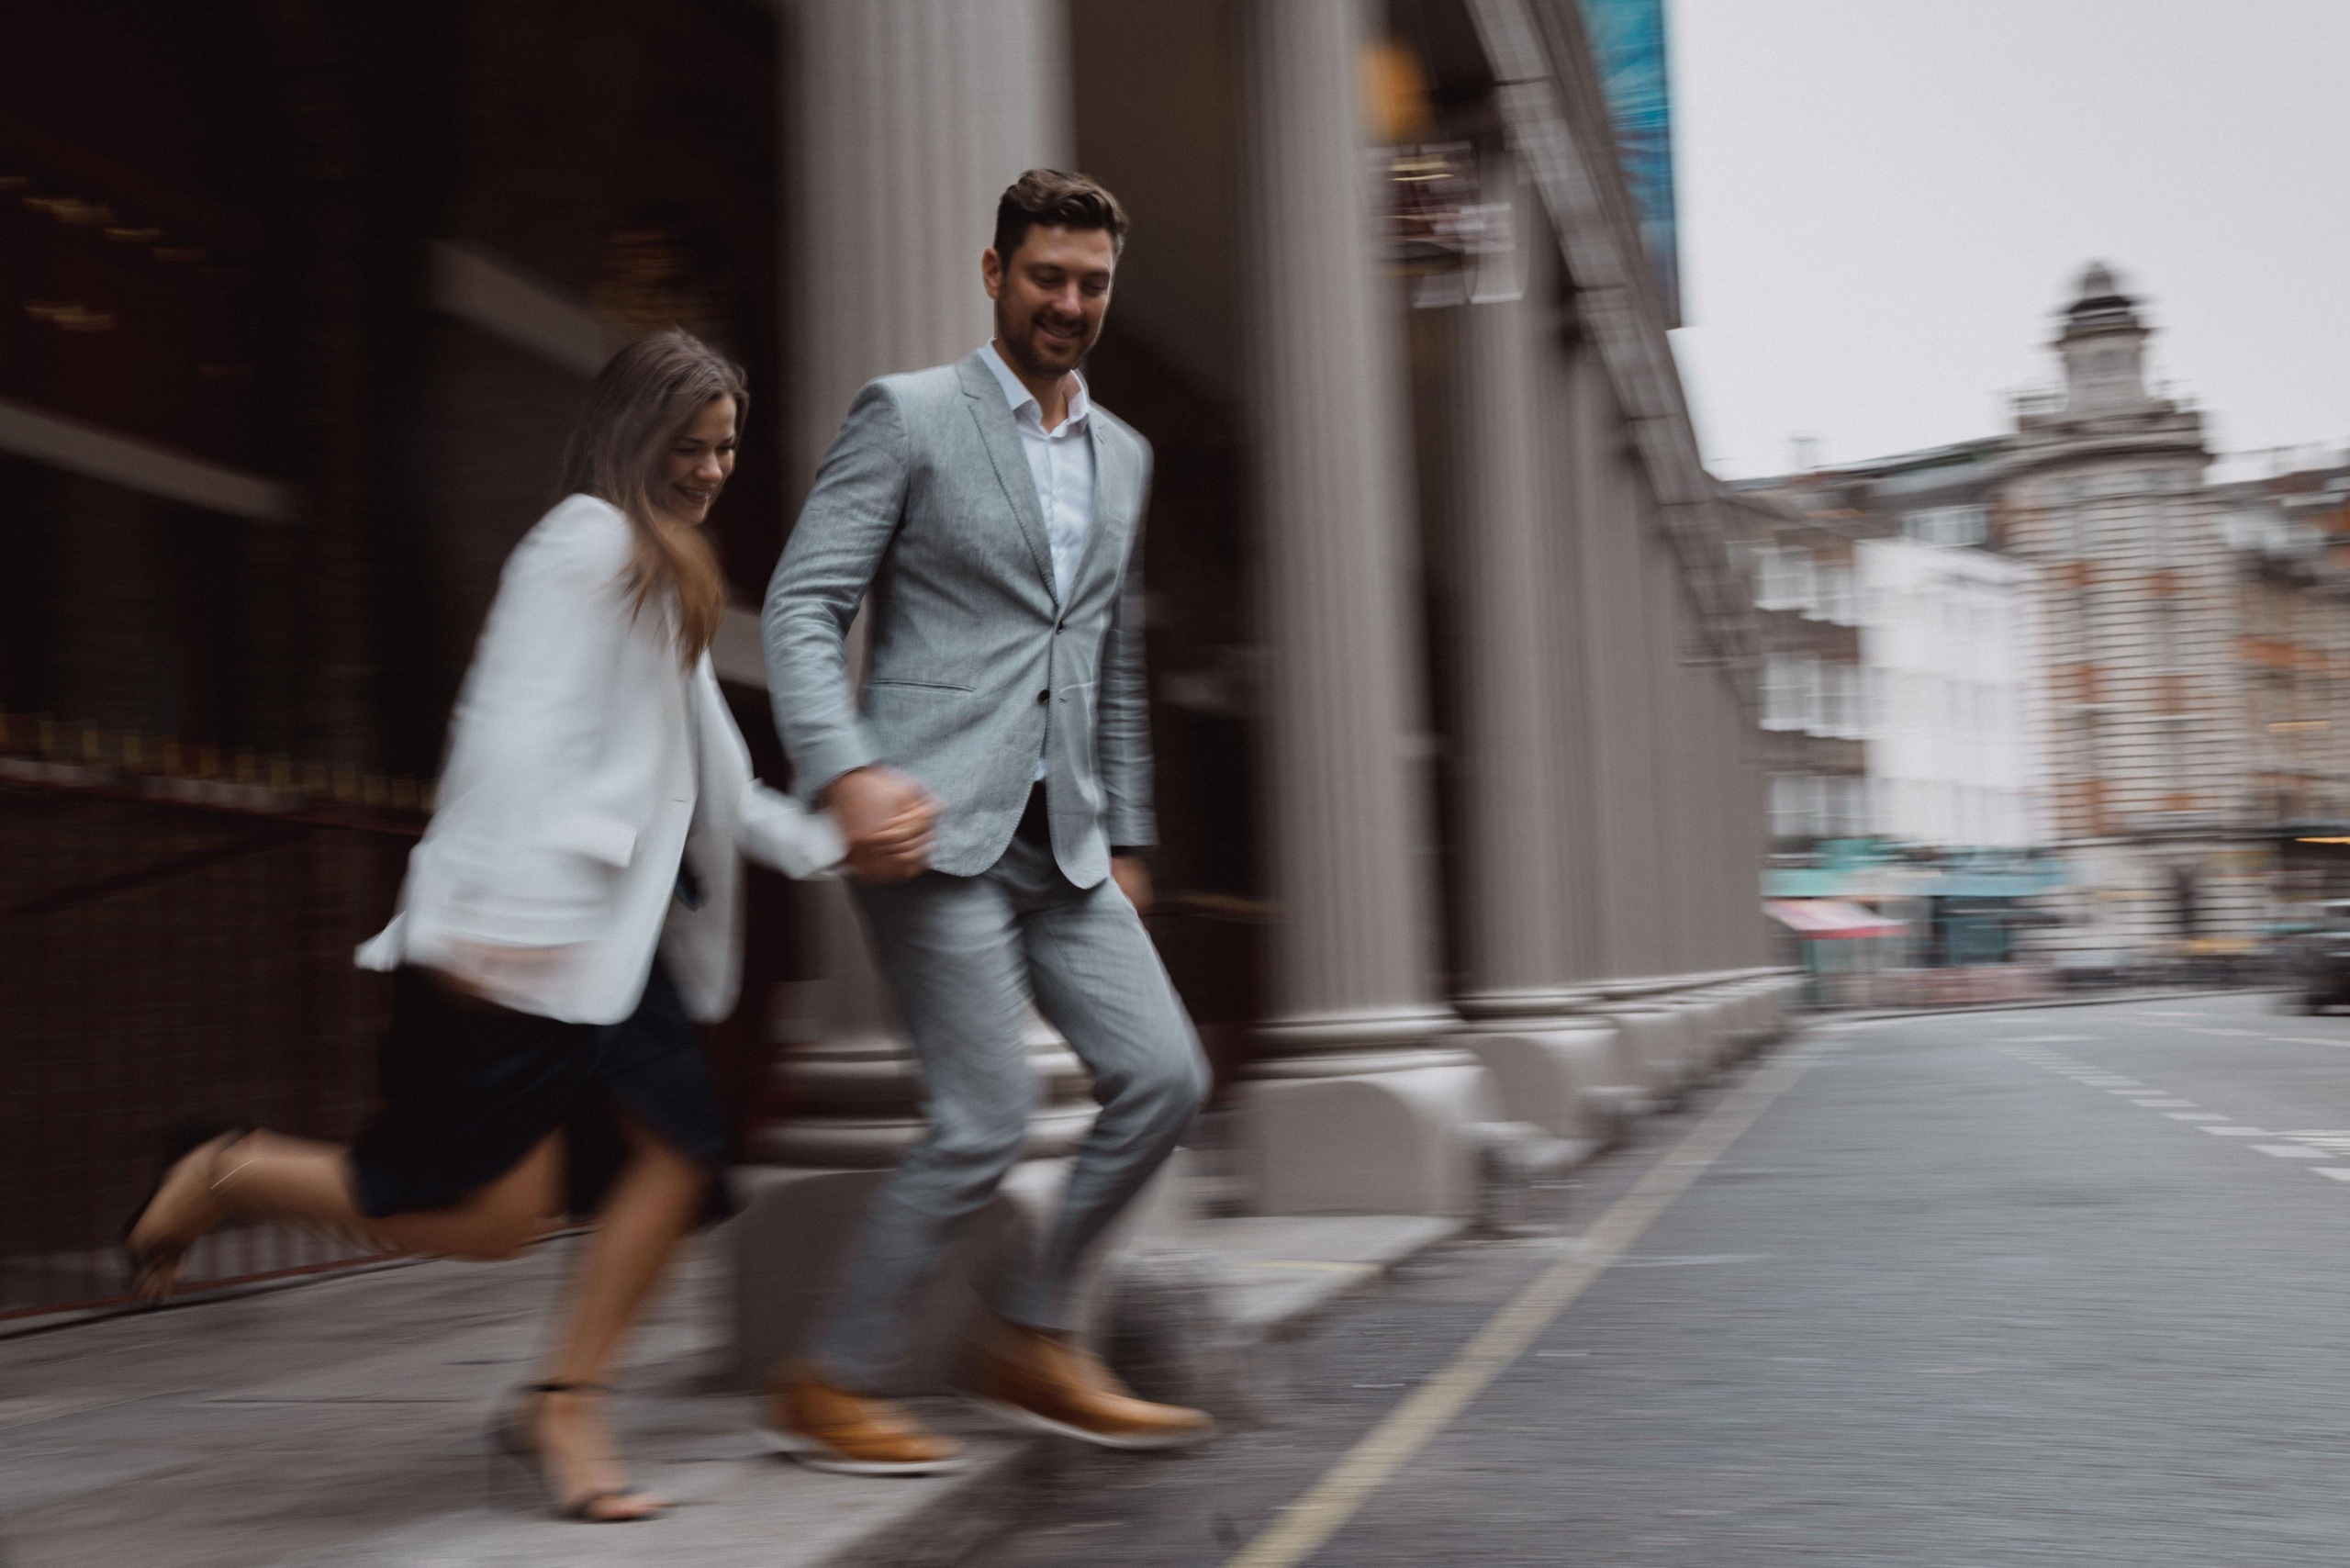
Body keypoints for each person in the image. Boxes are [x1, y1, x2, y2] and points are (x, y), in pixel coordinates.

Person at [120, 330, 932, 1523]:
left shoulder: (662, 573)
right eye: (693, 445)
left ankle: (559, 1398)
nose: (711, 470)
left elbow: (716, 783)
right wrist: (481, 932)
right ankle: (231, 1170)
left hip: (609, 946)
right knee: (498, 1213)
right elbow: (501, 737)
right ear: (633, 433)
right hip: (526, 933)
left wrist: (834, 842)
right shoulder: (584, 545)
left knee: (652, 1165)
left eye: (727, 449)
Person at [759, 168, 1214, 1474]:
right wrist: (846, 772)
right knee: (984, 1115)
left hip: (1065, 838)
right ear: (993, 272)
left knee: (1166, 1079)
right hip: (926, 819)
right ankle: (830, 1379)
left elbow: (1107, 658)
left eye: (1092, 284)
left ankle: (1027, 1328)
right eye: (1046, 277)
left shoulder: (1121, 455)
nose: (1069, 303)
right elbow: (800, 609)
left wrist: (1126, 835)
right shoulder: (906, 418)